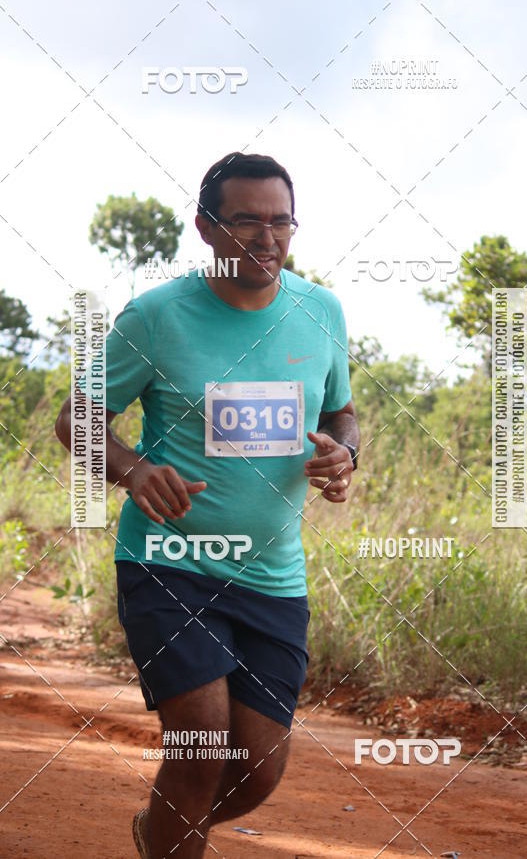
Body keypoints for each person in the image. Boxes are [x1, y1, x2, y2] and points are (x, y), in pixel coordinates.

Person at [55, 151, 360, 858]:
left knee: (257, 769)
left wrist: (344, 454)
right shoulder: (158, 317)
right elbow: (78, 416)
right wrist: (131, 469)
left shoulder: (321, 312)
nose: (267, 238)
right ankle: (177, 829)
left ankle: (159, 830)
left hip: (272, 574)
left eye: (281, 222)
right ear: (205, 227)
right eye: (246, 222)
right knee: (198, 749)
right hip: (169, 562)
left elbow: (342, 412)